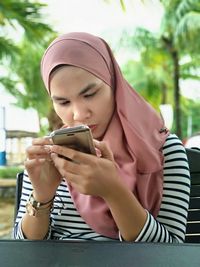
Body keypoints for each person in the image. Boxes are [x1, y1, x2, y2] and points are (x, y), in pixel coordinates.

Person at [13, 32, 190, 242]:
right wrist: (42, 196)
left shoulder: (163, 149)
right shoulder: (48, 153)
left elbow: (171, 253)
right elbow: (23, 247)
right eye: (63, 102)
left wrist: (114, 191)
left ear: (114, 84)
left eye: (90, 94)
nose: (79, 115)